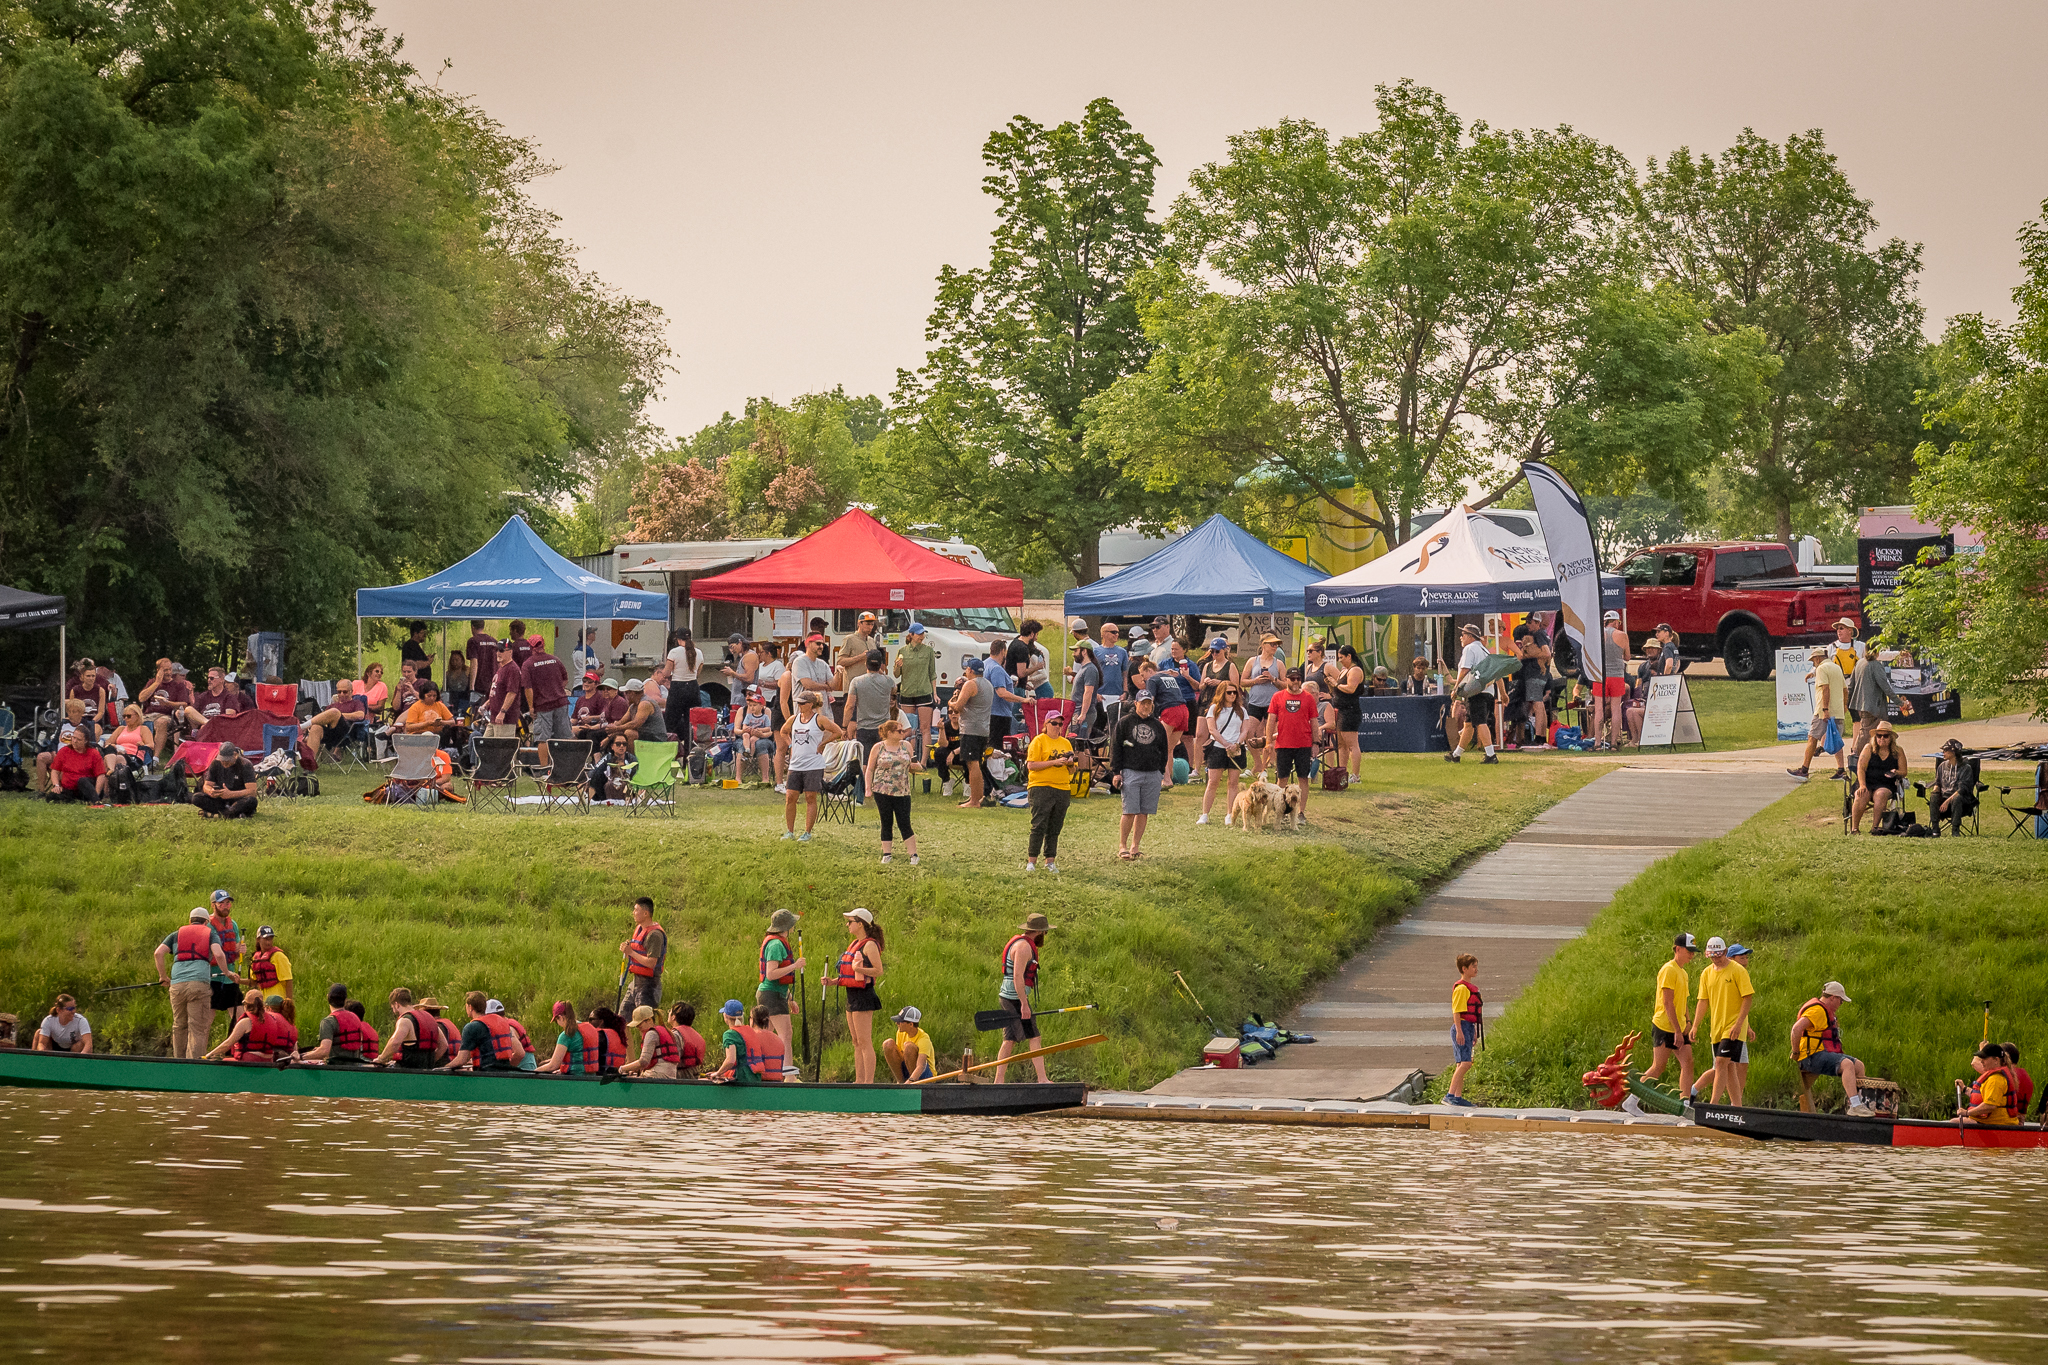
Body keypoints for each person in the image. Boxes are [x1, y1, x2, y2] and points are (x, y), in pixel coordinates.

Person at [1790, 981, 1875, 1115]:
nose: (1841, 1004)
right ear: (1833, 997)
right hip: (1810, 1056)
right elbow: (1796, 1029)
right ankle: (1855, 1106)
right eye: (1840, 1001)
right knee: (1846, 1064)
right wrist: (1795, 1052)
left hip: (1821, 1054)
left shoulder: (1825, 1011)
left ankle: (1860, 1104)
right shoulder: (1817, 1011)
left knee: (1858, 1066)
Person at [155, 908, 230, 1058]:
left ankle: (179, 1064)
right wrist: (227, 972)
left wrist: (163, 976)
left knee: (179, 1026)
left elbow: (158, 953)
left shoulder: (176, 935)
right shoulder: (210, 934)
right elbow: (219, 954)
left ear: (190, 921)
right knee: (197, 1029)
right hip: (198, 984)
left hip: (177, 985)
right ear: (206, 922)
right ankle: (195, 1067)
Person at [1689, 937, 1754, 1106]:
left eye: (1719, 955)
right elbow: (1703, 1001)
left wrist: (1740, 1025)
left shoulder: (1738, 971)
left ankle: (1713, 1105)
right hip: (1716, 1028)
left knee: (1720, 1063)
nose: (1716, 959)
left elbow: (1747, 998)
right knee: (1729, 1067)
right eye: (1713, 956)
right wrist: (1695, 1025)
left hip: (1733, 1027)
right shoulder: (1706, 973)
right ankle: (1737, 1107)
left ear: (1725, 952)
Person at [1110, 688, 1171, 860]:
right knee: (1129, 810)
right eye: (1142, 703)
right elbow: (1116, 748)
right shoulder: (1125, 722)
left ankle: (1135, 846)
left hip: (1152, 773)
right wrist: (1116, 772)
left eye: (1148, 703)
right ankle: (1122, 845)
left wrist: (1160, 771)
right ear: (1136, 703)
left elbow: (1164, 750)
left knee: (1144, 811)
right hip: (1131, 771)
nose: (1146, 706)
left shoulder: (1157, 726)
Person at [995, 913, 1053, 1084]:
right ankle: (1041, 1079)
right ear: (1038, 931)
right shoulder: (1023, 947)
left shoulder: (1023, 943)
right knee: (1027, 1037)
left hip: (1013, 998)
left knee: (1013, 1039)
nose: (1045, 936)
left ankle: (999, 1081)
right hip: (1014, 999)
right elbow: (1018, 978)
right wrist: (1024, 1004)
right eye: (1045, 932)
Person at [1021, 709, 1079, 872]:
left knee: (1055, 825)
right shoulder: (1039, 741)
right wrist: (1054, 763)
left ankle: (1050, 861)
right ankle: (1031, 861)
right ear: (1046, 725)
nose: (1057, 727)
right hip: (1041, 786)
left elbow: (1072, 770)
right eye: (1054, 723)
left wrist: (1068, 763)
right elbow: (1031, 765)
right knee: (1039, 824)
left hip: (1062, 788)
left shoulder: (1066, 743)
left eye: (1060, 724)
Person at [780, 692, 842, 840]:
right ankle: (790, 831)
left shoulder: (819, 719)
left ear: (810, 704)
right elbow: (783, 731)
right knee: (790, 797)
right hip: (796, 764)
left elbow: (838, 732)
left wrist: (822, 744)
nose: (799, 705)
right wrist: (790, 745)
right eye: (799, 703)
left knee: (810, 797)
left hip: (814, 764)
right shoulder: (793, 719)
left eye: (802, 703)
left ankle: (807, 832)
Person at [833, 907, 885, 1084]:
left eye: (850, 922)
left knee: (864, 1041)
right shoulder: (854, 944)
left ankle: (868, 1083)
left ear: (860, 924)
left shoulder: (869, 945)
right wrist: (832, 981)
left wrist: (859, 969)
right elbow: (848, 974)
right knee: (855, 1041)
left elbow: (878, 970)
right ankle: (859, 1080)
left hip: (864, 995)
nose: (847, 925)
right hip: (851, 995)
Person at [1644, 933, 1698, 1102]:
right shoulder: (1668, 970)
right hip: (1665, 1025)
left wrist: (1688, 1021)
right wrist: (1676, 1030)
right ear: (1678, 949)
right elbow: (1668, 1003)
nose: (1691, 955)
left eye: (1693, 951)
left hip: (1680, 1026)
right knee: (1659, 1067)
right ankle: (1632, 1098)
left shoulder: (1683, 973)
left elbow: (1684, 1000)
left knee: (1688, 1062)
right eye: (1688, 951)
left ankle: (1685, 1102)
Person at [1787, 645, 1851, 781]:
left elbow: (1825, 689)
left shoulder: (1821, 668)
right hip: (1838, 710)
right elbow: (1845, 690)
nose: (1813, 664)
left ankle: (1804, 770)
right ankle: (1841, 770)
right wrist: (1844, 705)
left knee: (1812, 737)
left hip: (1823, 712)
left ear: (1817, 658)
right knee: (1836, 740)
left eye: (1813, 661)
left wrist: (1825, 709)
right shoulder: (1836, 667)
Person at [863, 717, 921, 866]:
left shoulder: (906, 746)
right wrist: (868, 788)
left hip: (902, 790)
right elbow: (870, 769)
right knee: (886, 820)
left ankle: (913, 854)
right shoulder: (878, 747)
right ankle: (887, 853)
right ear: (889, 733)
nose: (903, 733)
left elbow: (913, 764)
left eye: (903, 730)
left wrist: (919, 767)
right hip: (882, 790)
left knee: (904, 821)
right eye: (899, 731)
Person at [1267, 667, 1318, 823]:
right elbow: (1271, 721)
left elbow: (1314, 722)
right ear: (1287, 679)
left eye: (1298, 679)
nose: (1295, 681)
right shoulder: (1277, 696)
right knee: (1282, 779)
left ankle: (1300, 812)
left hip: (1303, 743)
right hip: (1283, 743)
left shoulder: (1308, 698)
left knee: (1303, 779)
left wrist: (1316, 743)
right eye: (1292, 678)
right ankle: (1280, 810)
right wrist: (1268, 741)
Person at [1447, 623, 1500, 764]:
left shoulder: (1470, 649)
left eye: (1463, 634)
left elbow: (1464, 670)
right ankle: (1456, 755)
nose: (1461, 638)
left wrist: (1456, 688)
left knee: (1480, 722)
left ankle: (1491, 755)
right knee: (1469, 724)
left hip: (1476, 690)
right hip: (1488, 691)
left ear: (1470, 636)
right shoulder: (1485, 651)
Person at [1198, 681, 1250, 826]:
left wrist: (1237, 744)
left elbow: (1245, 730)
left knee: (1233, 783)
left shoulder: (1241, 710)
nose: (1232, 695)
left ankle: (1229, 814)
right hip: (1218, 747)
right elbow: (1212, 729)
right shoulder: (1214, 708)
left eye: (1235, 692)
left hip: (1236, 748)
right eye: (1229, 692)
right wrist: (1226, 744)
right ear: (1222, 693)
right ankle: (1205, 814)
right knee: (1213, 782)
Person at [756, 909, 806, 1052]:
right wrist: (795, 965)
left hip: (774, 994)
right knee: (786, 1035)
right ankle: (787, 1074)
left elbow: (779, 979)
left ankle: (766, 1070)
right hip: (772, 996)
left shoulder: (777, 943)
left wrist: (790, 998)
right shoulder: (776, 945)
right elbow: (771, 974)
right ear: (786, 927)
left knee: (766, 1036)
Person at [1848, 648, 1912, 759]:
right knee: (1867, 732)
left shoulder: (1859, 662)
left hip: (1861, 704)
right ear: (1878, 652)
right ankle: (1857, 758)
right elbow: (1885, 687)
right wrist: (1900, 702)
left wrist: (1849, 702)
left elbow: (1851, 685)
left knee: (1871, 732)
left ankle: (1872, 757)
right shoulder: (1875, 665)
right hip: (1873, 706)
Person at [949, 656, 993, 809]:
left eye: (966, 669)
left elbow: (958, 707)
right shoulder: (988, 685)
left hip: (971, 729)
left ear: (970, 670)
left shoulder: (970, 684)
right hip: (983, 729)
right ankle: (978, 798)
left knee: (972, 763)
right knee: (976, 763)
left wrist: (951, 702)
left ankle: (974, 801)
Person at [848, 649, 896, 788]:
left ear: (865, 663)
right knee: (883, 760)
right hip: (883, 728)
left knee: (865, 761)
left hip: (864, 727)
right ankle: (883, 786)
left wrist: (846, 725)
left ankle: (863, 789)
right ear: (881, 664)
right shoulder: (889, 682)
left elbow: (849, 706)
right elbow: (893, 691)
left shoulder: (856, 682)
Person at [440, 992, 524, 1071]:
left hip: (484, 1073)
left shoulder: (472, 1027)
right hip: (504, 1072)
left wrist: (444, 1068)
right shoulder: (501, 1022)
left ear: (470, 1007)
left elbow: (462, 1059)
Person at [522, 634, 573, 764]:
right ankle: (565, 768)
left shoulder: (528, 664)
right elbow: (565, 678)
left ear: (530, 647)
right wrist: (556, 689)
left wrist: (531, 707)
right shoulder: (555, 660)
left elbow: (528, 688)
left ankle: (545, 768)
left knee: (542, 739)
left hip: (542, 706)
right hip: (561, 703)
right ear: (543, 645)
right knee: (564, 737)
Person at [1851, 722, 1908, 834]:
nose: (1882, 738)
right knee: (1861, 794)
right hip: (1867, 781)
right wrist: (1862, 785)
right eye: (1879, 736)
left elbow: (1904, 771)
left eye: (1885, 736)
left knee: (1881, 794)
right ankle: (1855, 828)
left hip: (1886, 783)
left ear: (1891, 738)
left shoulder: (1898, 751)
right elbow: (1861, 768)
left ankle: (1875, 828)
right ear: (1875, 737)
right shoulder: (1868, 748)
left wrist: (1896, 772)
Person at [892, 622, 939, 757]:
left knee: (925, 729)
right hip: (907, 693)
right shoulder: (902, 651)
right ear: (911, 635)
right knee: (910, 729)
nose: (921, 636)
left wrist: (934, 692)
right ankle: (910, 758)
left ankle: (924, 761)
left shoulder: (928, 651)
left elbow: (932, 673)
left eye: (923, 633)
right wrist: (897, 666)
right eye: (919, 634)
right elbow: (896, 674)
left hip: (924, 692)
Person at [204, 990, 289, 1062]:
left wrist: (207, 1056)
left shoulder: (245, 1022)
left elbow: (227, 1045)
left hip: (248, 1060)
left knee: (222, 1060)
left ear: (246, 1004)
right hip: (268, 1061)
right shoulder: (273, 1020)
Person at [139, 657, 197, 757]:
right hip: (148, 715)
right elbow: (141, 698)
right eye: (165, 670)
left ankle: (155, 758)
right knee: (131, 721)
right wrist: (157, 683)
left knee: (162, 722)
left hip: (166, 715)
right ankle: (135, 755)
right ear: (158, 671)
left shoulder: (178, 685)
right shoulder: (152, 682)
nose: (169, 672)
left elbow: (184, 704)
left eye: (170, 669)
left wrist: (167, 703)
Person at [303, 984, 373, 1065]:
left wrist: (302, 1056)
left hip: (335, 1070)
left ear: (328, 997)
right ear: (345, 999)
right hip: (354, 1070)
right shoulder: (355, 1018)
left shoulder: (328, 1022)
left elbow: (324, 1052)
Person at [1446, 953, 1482, 1107]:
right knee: (1466, 1063)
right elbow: (1457, 1011)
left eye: (1476, 966)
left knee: (1461, 1063)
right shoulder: (1461, 988)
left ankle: (1457, 1097)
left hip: (1468, 1027)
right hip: (1461, 1026)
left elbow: (1471, 1015)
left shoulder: (1469, 988)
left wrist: (1472, 1031)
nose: (1476, 969)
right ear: (1464, 969)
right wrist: (1460, 1031)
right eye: (1473, 966)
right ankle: (1450, 1095)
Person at [619, 896, 667, 1012]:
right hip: (636, 982)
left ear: (646, 913)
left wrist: (631, 952)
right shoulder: (640, 929)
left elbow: (651, 963)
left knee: (646, 1021)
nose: (633, 913)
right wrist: (629, 946)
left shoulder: (654, 935)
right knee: (622, 1019)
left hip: (649, 986)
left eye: (636, 910)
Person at [1512, 619, 1553, 746]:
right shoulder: (1543, 635)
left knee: (1537, 703)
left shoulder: (1536, 636)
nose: (1528, 626)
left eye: (1529, 623)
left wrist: (1525, 655)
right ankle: (1540, 737)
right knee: (1538, 703)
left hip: (1533, 674)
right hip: (1543, 673)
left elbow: (1546, 653)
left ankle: (1539, 737)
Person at [43, 724, 108, 803]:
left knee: (82, 781)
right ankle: (74, 801)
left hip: (88, 788)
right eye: (73, 738)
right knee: (51, 796)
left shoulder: (94, 753)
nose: (74, 741)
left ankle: (95, 801)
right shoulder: (64, 751)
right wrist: (56, 785)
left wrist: (96, 794)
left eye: (79, 739)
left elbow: (101, 775)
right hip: (69, 789)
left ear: (85, 741)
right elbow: (55, 771)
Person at [192, 741, 258, 819]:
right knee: (196, 797)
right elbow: (207, 785)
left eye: (227, 761)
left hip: (238, 799)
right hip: (220, 800)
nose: (224, 763)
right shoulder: (215, 764)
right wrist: (211, 791)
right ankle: (232, 814)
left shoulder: (245, 765)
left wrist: (231, 794)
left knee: (251, 800)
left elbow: (252, 791)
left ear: (235, 755)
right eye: (222, 760)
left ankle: (220, 815)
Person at [305, 679, 370, 756]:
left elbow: (360, 715)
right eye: (339, 692)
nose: (342, 694)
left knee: (335, 712)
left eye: (345, 692)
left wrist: (338, 715)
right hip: (330, 733)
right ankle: (309, 765)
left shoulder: (357, 703)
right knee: (316, 727)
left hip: (346, 732)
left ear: (351, 691)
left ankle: (304, 726)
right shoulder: (331, 706)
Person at [537, 1001, 604, 1074]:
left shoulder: (566, 1035)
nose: (558, 1024)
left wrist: (534, 1071)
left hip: (573, 1079)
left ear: (560, 1017)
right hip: (591, 1079)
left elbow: (553, 1066)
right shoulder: (590, 1029)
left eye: (556, 1021)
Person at [982, 641, 1024, 759]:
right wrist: (1023, 700)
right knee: (998, 749)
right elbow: (1001, 693)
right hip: (999, 715)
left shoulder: (985, 665)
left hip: (987, 713)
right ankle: (996, 775)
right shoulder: (996, 668)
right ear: (1002, 651)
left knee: (989, 748)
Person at [1962, 1043, 2021, 1126]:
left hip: (1996, 1124)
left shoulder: (1996, 1080)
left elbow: (1989, 1106)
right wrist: (1964, 1088)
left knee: (1954, 1123)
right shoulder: (1992, 1077)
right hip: (1988, 1122)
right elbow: (1981, 1096)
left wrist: (1967, 1113)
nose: (1981, 1061)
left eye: (1985, 1058)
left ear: (1996, 1060)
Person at [1928, 738, 1978, 834]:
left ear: (1954, 752)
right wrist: (1935, 792)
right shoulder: (1942, 766)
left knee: (1957, 798)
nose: (1943, 753)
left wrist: (1947, 802)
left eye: (1946, 750)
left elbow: (1962, 790)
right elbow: (1938, 783)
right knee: (1933, 796)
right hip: (1944, 797)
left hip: (1962, 800)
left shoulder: (1965, 768)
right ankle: (1935, 829)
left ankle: (1955, 830)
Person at [1330, 644, 1365, 777]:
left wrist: (1336, 684)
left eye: (1341, 657)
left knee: (1352, 744)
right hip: (1340, 710)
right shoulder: (1345, 670)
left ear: (1349, 656)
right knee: (1341, 745)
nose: (1339, 660)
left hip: (1350, 710)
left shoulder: (1355, 670)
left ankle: (1355, 775)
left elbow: (1351, 688)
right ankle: (1342, 772)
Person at [618, 1005, 681, 1078]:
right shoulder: (667, 1031)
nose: (638, 1027)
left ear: (649, 1020)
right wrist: (636, 1069)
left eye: (639, 1024)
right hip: (671, 1076)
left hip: (657, 1075)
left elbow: (644, 1061)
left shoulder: (651, 1034)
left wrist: (622, 1068)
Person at [484, 638, 527, 740]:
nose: (498, 653)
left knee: (502, 751)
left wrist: (502, 712)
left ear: (510, 652)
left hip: (505, 720)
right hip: (494, 718)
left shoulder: (512, 669)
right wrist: (486, 705)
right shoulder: (502, 668)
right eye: (497, 650)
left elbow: (512, 693)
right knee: (484, 746)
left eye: (501, 650)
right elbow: (497, 692)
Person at [1241, 632, 1285, 730]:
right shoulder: (1252, 661)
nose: (1275, 647)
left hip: (1272, 703)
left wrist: (1273, 679)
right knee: (1250, 732)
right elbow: (1242, 681)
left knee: (1270, 734)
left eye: (1276, 645)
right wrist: (1255, 681)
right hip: (1255, 702)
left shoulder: (1279, 663)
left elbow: (1286, 685)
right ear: (1263, 645)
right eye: (1272, 644)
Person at [882, 1005, 937, 1081]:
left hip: (925, 1075)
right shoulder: (900, 1032)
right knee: (888, 1044)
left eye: (900, 1022)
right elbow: (901, 1057)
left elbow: (921, 1066)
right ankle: (900, 1083)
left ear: (911, 1024)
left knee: (908, 1047)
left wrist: (910, 1082)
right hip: (909, 1070)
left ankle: (912, 1085)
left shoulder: (924, 1038)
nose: (897, 1023)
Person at [244, 924, 293, 1003]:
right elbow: (253, 982)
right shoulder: (255, 959)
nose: (268, 942)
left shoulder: (278, 956)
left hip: (278, 1000)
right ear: (258, 939)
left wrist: (289, 1002)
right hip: (263, 1001)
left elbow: (288, 980)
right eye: (266, 939)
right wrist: (237, 980)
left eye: (270, 939)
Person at [1069, 641, 1104, 744]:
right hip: (1078, 711)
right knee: (1078, 743)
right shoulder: (1084, 668)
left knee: (1081, 744)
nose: (1073, 654)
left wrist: (1083, 713)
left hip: (1083, 713)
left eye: (1076, 651)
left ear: (1084, 652)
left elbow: (1088, 692)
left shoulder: (1090, 669)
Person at [571, 677, 626, 743]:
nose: (605, 691)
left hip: (613, 730)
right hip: (602, 727)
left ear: (616, 691)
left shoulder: (618, 702)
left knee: (592, 734)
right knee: (583, 733)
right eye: (603, 689)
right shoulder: (606, 701)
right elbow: (603, 720)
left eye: (608, 689)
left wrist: (593, 727)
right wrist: (592, 727)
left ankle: (596, 753)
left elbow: (614, 724)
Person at [588, 732, 639, 802]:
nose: (621, 746)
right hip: (607, 790)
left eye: (624, 744)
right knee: (598, 775)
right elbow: (595, 773)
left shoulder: (632, 759)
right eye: (618, 744)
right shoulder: (607, 758)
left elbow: (636, 777)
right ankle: (588, 800)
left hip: (628, 790)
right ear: (612, 746)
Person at [617, 678, 665, 744]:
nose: (625, 695)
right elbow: (621, 722)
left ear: (632, 693)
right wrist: (611, 728)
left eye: (626, 692)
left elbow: (635, 724)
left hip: (656, 738)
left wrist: (617, 728)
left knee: (629, 733)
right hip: (645, 735)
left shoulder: (645, 703)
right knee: (617, 733)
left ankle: (631, 754)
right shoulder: (632, 706)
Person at [1094, 623, 1130, 709]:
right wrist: (1095, 693)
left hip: (1118, 695)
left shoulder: (1122, 652)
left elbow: (1125, 674)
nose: (1116, 634)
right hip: (1100, 694)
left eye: (1117, 632)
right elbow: (1092, 674)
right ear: (1104, 634)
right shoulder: (1095, 651)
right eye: (1113, 632)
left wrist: (1125, 692)